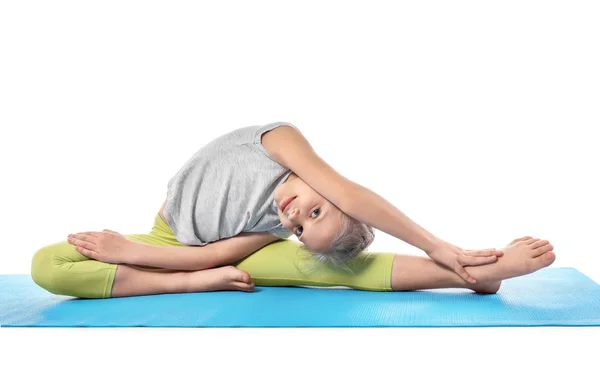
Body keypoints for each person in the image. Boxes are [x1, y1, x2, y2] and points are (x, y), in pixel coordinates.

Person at [30, 122, 556, 299]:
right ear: (331, 194)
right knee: (47, 265)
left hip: (198, 258)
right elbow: (352, 195)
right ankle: (456, 262)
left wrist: (193, 274)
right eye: (314, 214)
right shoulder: (280, 142)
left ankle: (478, 275)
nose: (292, 219)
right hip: (165, 242)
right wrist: (434, 241)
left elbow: (205, 256)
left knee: (332, 268)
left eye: (300, 228)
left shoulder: (269, 227)